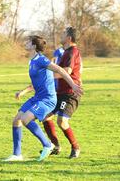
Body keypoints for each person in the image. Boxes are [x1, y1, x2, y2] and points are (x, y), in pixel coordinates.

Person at [4, 35, 83, 162]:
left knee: (25, 119)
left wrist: (73, 85)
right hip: (37, 97)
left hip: (47, 99)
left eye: (29, 42)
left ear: (34, 46)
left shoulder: (42, 60)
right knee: (16, 120)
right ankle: (17, 154)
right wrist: (23, 91)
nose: (26, 43)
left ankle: (48, 144)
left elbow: (61, 71)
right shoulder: (32, 61)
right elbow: (37, 83)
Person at [42, 27, 83, 159]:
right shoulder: (66, 52)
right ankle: (55, 146)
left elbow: (67, 70)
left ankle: (76, 147)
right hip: (60, 92)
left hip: (71, 93)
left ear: (69, 38)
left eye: (63, 34)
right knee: (45, 117)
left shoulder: (72, 52)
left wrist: (48, 77)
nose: (61, 35)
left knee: (62, 122)